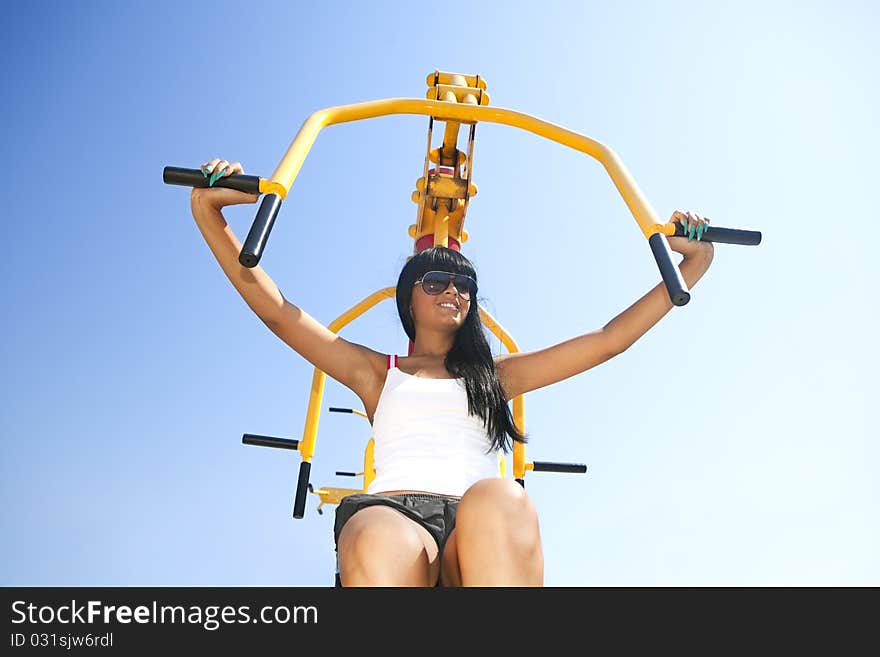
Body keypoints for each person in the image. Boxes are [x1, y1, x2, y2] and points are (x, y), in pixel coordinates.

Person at [190, 157, 715, 587]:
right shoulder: (376, 373)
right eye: (436, 279)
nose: (453, 290)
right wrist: (210, 216)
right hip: (395, 516)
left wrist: (691, 267)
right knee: (373, 531)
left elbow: (607, 342)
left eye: (464, 285)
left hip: (475, 528)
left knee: (502, 496)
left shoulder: (496, 377)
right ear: (408, 298)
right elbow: (277, 311)